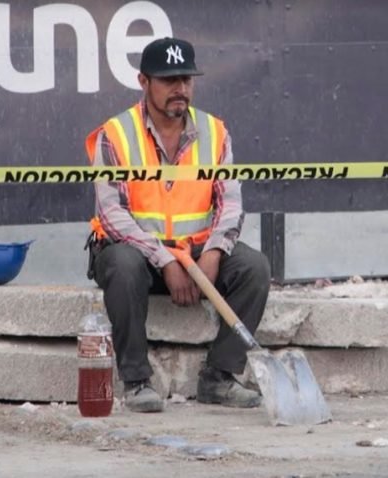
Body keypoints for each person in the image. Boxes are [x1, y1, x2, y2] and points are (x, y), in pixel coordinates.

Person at [83, 37, 271, 413]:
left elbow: (230, 202)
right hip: (138, 254)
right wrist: (166, 260)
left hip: (198, 254)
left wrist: (214, 252)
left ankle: (219, 377)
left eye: (186, 79)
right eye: (168, 80)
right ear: (143, 82)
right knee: (121, 264)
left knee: (254, 268)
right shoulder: (115, 133)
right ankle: (136, 382)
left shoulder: (214, 131)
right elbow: (113, 214)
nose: (179, 89)